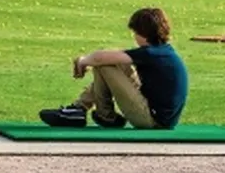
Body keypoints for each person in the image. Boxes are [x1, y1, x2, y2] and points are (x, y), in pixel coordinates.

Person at [39, 7, 188, 129]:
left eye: (135, 32)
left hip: (153, 121)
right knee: (112, 61)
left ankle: (101, 114)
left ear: (143, 34)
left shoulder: (151, 53)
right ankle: (81, 109)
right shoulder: (162, 51)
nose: (134, 37)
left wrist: (82, 61)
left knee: (104, 64)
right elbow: (113, 57)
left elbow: (100, 58)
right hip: (159, 116)